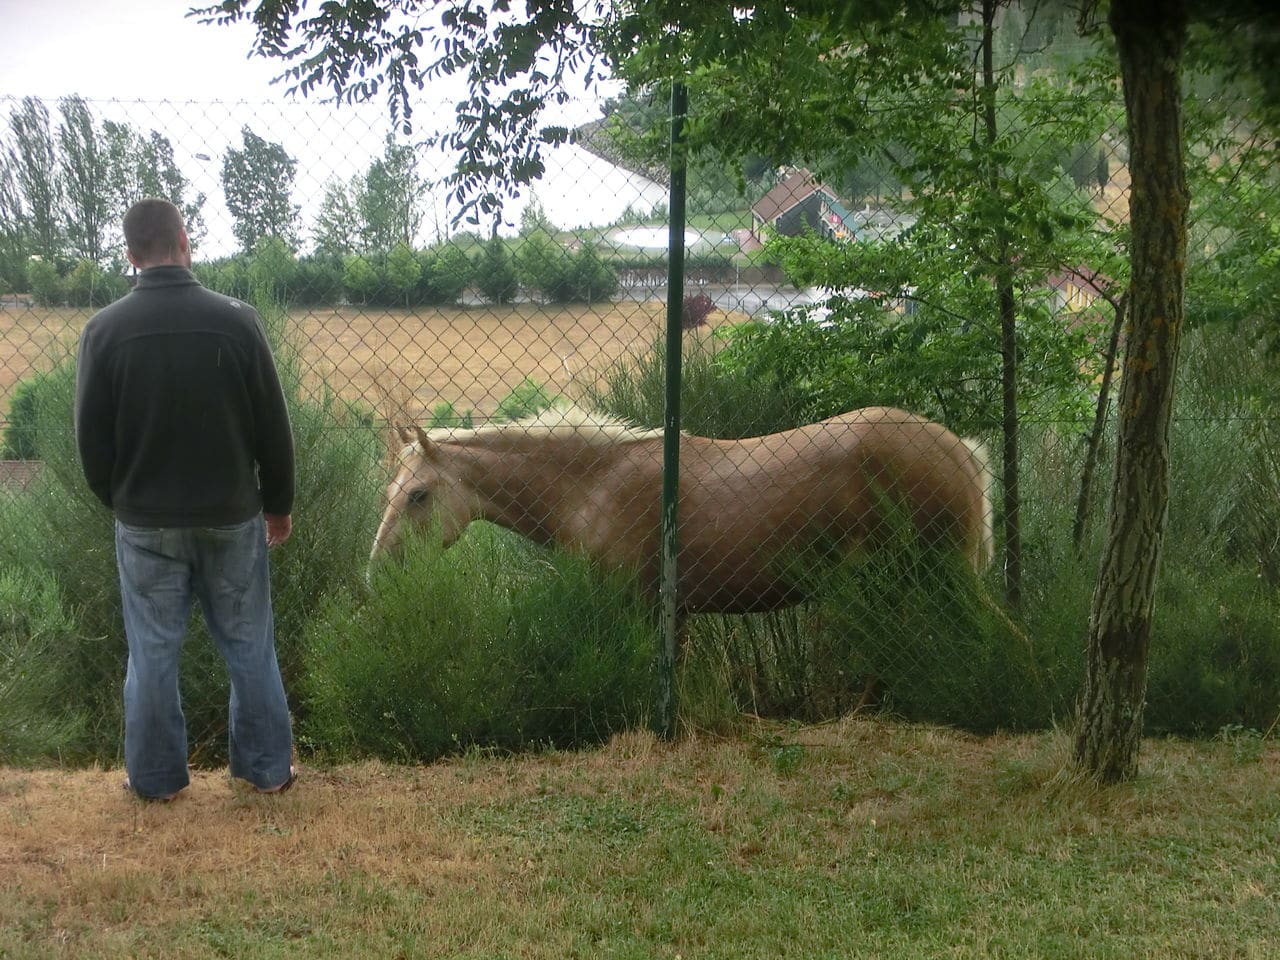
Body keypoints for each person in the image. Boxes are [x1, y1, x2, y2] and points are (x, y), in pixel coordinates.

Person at [75, 198, 297, 801]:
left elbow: (90, 442)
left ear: (130, 255)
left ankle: (154, 783)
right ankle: (266, 770)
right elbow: (272, 427)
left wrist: (120, 500)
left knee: (151, 653)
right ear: (184, 240)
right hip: (232, 515)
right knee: (250, 642)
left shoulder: (103, 331)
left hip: (143, 520)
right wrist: (277, 503)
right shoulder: (238, 321)